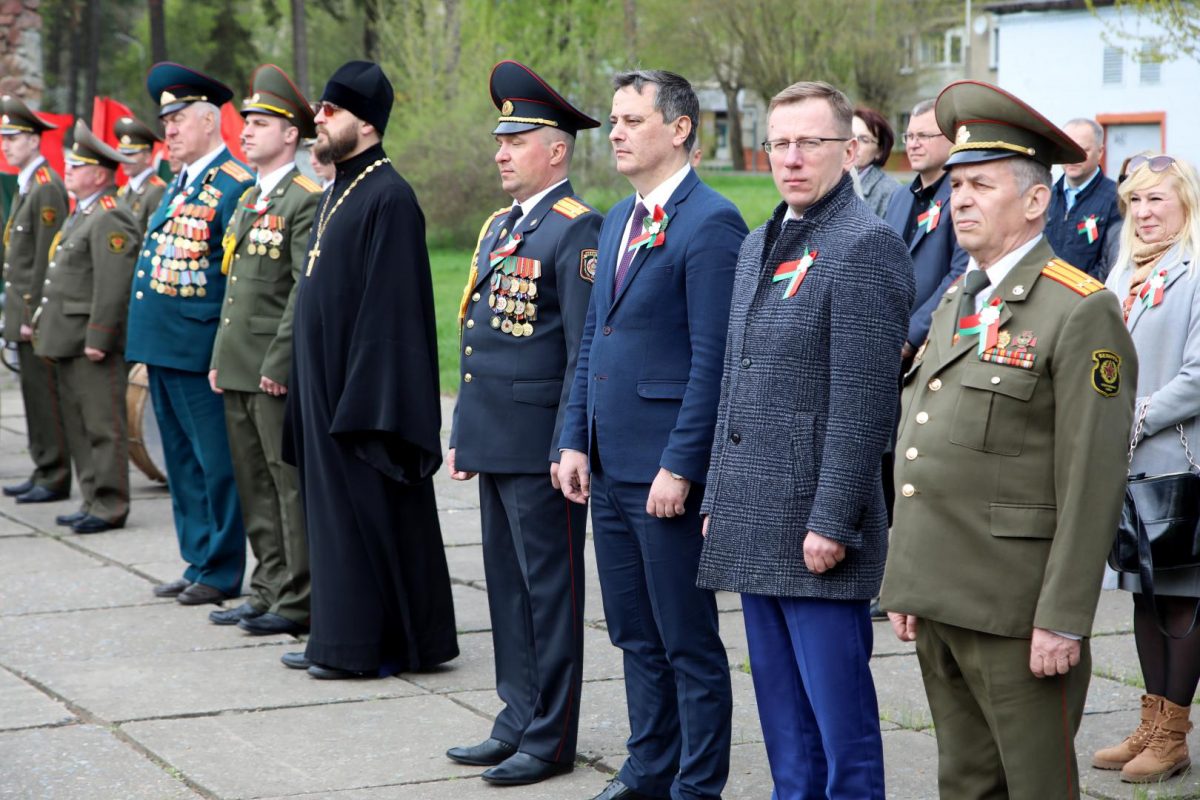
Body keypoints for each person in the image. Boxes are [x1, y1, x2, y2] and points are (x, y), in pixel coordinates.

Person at [880, 80, 1138, 799]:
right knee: (963, 784)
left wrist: (1063, 618)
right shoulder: (961, 299)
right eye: (956, 184)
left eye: (982, 184)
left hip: (1019, 613)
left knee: (1034, 788)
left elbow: (1090, 479)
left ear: (1034, 201)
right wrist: (910, 579)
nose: (960, 198)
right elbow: (923, 445)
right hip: (941, 597)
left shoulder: (1080, 312)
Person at [697, 81, 914, 800]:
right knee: (785, 726)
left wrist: (833, 520)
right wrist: (718, 494)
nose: (791, 158)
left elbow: (863, 403)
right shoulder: (761, 240)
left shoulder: (866, 245)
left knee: (839, 727)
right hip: (754, 516)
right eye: (779, 143)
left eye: (809, 143)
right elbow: (736, 377)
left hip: (815, 528)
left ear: (848, 150)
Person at [557, 69, 748, 800]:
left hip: (664, 470)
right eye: (613, 121)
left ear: (679, 129)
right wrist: (575, 439)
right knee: (633, 633)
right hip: (608, 464)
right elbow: (594, 343)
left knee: (687, 640)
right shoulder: (617, 218)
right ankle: (649, 765)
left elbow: (714, 360)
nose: (616, 132)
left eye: (633, 120)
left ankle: (697, 784)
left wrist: (683, 465)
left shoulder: (711, 222)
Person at [444, 60, 601, 786]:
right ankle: (516, 716)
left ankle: (552, 735)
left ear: (557, 149)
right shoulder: (503, 225)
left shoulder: (576, 232)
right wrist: (465, 435)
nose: (500, 151)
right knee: (507, 592)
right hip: (497, 440)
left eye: (517, 138)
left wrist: (570, 442)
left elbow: (579, 352)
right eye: (499, 139)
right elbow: (483, 337)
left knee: (549, 594)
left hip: (542, 449)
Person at [280, 61, 458, 680]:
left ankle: (364, 647)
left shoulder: (390, 197)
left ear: (366, 122)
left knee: (366, 524)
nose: (318, 119)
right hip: (323, 392)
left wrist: (363, 403)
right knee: (330, 526)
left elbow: (392, 314)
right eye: (320, 109)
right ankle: (336, 636)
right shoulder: (338, 189)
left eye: (331, 111)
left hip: (360, 400)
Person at [126, 63, 255, 606]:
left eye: (179, 119)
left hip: (200, 349)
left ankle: (221, 568)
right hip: (164, 346)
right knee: (180, 462)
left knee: (215, 463)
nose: (170, 130)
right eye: (166, 120)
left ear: (210, 122)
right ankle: (197, 558)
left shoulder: (232, 186)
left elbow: (237, 284)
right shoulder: (177, 185)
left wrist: (224, 354)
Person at [1093, 153, 1200, 783]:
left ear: (1185, 203)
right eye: (1135, 200)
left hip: (1177, 458)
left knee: (1183, 594)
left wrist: (1135, 417)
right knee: (1142, 590)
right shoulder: (1122, 273)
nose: (1145, 211)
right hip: (1128, 465)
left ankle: (1174, 733)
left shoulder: (1195, 270)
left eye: (1158, 199)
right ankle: (1151, 720)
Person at [206, 64, 320, 637]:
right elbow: (236, 289)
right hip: (237, 366)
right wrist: (222, 357)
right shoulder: (251, 196)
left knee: (286, 485)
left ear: (290, 134)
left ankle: (298, 597)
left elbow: (302, 290)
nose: (246, 131)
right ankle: (268, 585)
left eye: (259, 123)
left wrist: (279, 363)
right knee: (253, 483)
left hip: (273, 371)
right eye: (245, 122)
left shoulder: (304, 199)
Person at [34, 121, 140, 534]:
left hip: (90, 341)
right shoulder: (85, 215)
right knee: (79, 426)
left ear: (99, 173)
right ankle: (92, 496)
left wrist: (100, 336)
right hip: (68, 339)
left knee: (103, 426)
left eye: (76, 167)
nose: (68, 173)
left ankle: (110, 503)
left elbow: (113, 284)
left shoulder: (111, 217)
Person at [1, 94, 73, 505]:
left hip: (35, 315)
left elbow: (48, 257)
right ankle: (43, 464)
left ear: (34, 141)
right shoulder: (29, 185)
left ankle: (55, 472)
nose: (7, 145)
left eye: (14, 137)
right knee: (32, 395)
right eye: (4, 138)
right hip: (21, 313)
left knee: (46, 397)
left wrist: (33, 314)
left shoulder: (46, 188)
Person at [884, 99, 969, 359]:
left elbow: (961, 273)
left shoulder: (962, 196)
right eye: (909, 136)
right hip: (890, 337)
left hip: (936, 342)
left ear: (953, 141)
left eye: (923, 135)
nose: (912, 144)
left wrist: (913, 334)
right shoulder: (899, 197)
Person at [1047, 118, 1121, 280]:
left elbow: (1111, 263)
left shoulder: (1117, 200)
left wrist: (1078, 295)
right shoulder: (1046, 197)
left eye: (1083, 150)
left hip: (1088, 299)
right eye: (1067, 149)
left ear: (1100, 152)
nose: (1073, 157)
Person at [114, 114, 167, 234]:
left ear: (148, 156)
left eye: (131, 154)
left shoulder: (156, 190)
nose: (125, 159)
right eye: (122, 153)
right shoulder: (124, 191)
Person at [852, 106, 899, 217]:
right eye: (850, 136)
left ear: (880, 151)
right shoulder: (828, 180)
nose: (854, 144)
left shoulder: (891, 191)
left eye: (864, 139)